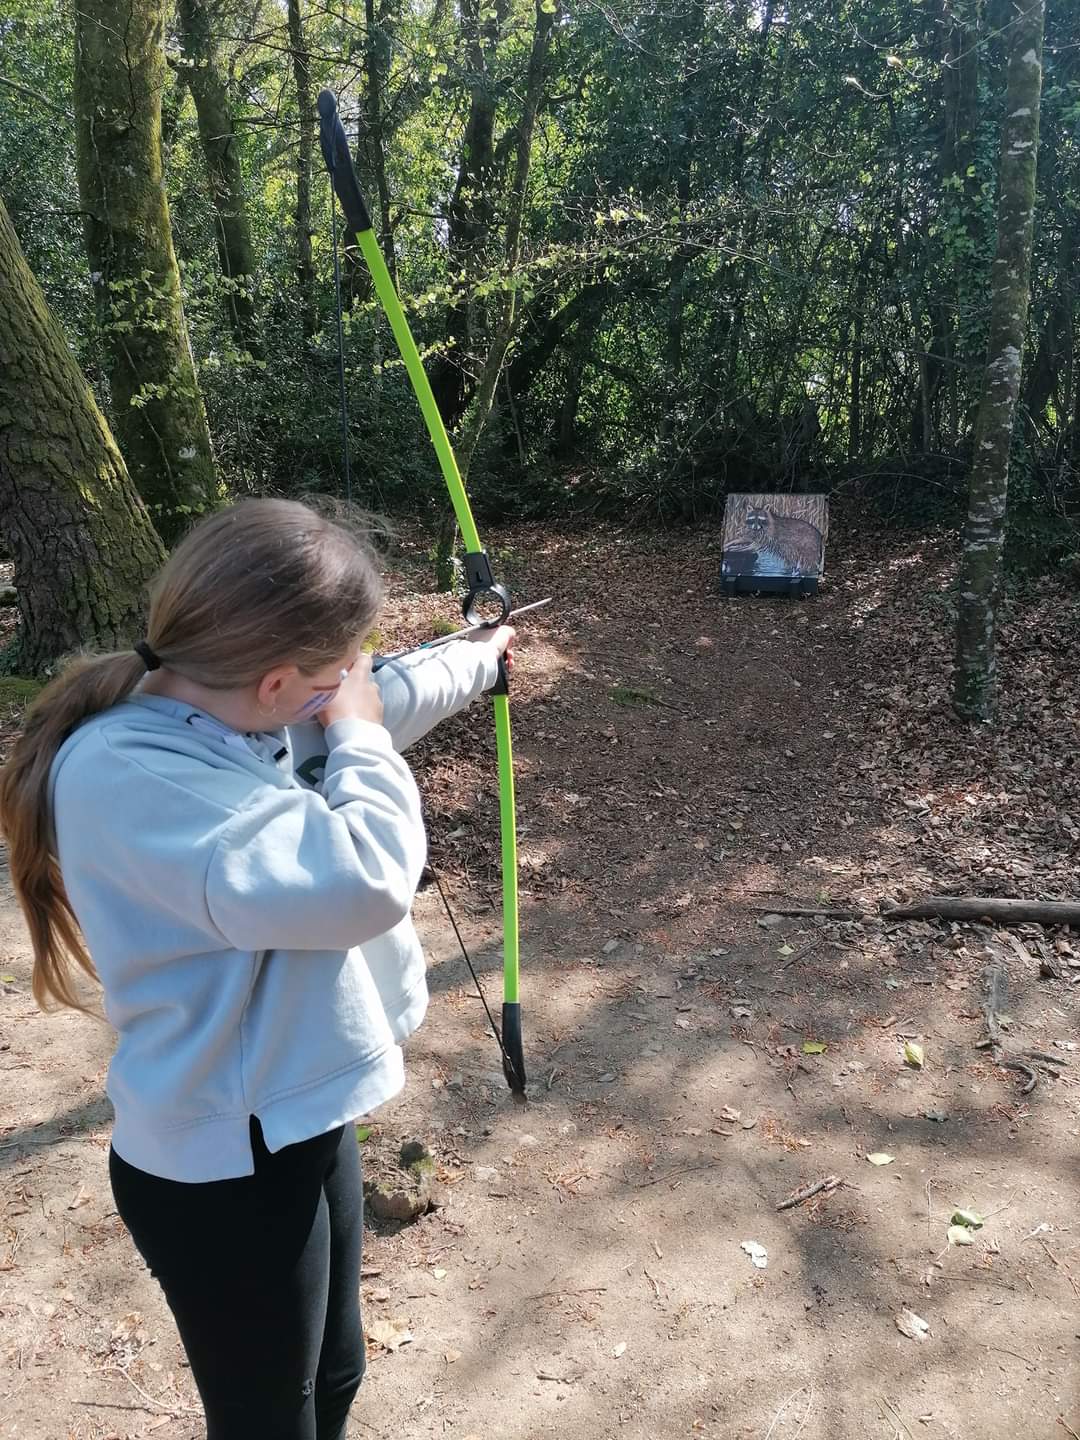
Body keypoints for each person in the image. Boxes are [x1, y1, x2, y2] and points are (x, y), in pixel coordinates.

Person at [0, 498, 515, 1440]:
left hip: (298, 1119)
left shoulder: (230, 706)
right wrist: (355, 732)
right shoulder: (143, 783)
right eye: (330, 679)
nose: (345, 692)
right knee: (268, 1422)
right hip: (220, 1171)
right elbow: (363, 878)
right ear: (277, 684)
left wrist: (482, 655)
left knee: (337, 1375)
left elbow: (383, 691)